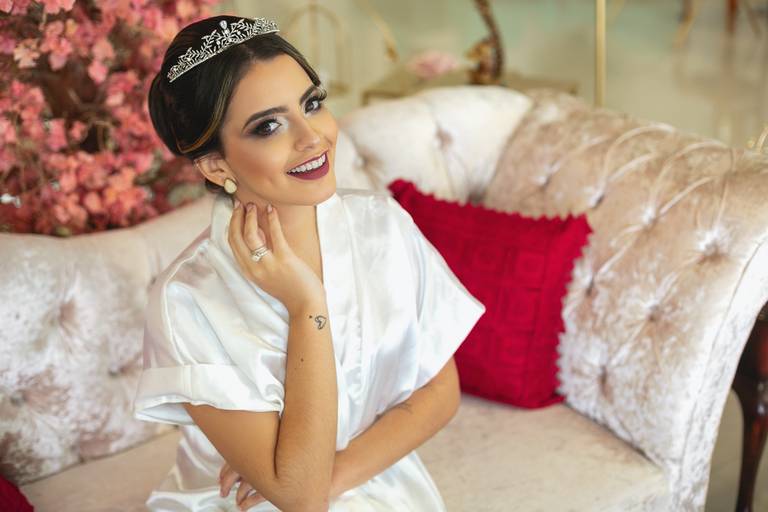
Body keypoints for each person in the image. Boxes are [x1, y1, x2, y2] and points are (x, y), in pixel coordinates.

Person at [133, 14, 486, 511]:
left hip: (379, 486)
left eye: (312, 104)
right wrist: (307, 307)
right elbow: (298, 497)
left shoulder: (383, 226)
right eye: (268, 126)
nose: (312, 137)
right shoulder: (186, 300)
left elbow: (441, 391)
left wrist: (333, 474)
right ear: (216, 165)